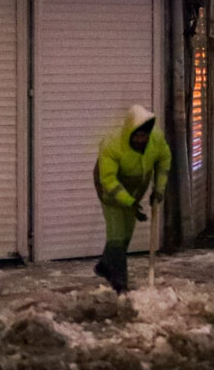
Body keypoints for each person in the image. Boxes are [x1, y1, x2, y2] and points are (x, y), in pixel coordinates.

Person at [93, 105, 172, 293]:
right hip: (110, 191)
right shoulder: (112, 145)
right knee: (117, 236)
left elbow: (164, 160)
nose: (140, 140)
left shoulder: (156, 140)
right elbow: (109, 180)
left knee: (126, 236)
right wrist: (130, 203)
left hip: (136, 190)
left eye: (143, 135)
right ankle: (120, 285)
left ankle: (105, 265)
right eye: (136, 136)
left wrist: (159, 189)